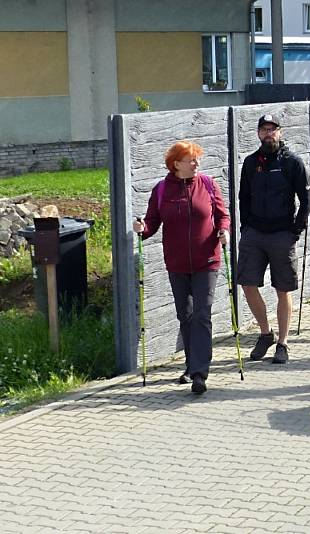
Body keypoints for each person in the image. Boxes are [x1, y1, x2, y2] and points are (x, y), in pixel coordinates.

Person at [134, 141, 230, 395]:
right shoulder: (162, 190)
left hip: (207, 260)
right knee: (185, 315)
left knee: (202, 313)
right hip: (176, 263)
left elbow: (222, 215)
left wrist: (224, 231)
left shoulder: (208, 185)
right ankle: (191, 365)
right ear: (176, 164)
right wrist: (141, 229)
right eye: (191, 159)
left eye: (197, 159)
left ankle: (199, 372)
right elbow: (152, 223)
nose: (196, 163)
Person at [238, 114, 309, 365]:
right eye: (264, 130)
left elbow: (306, 201)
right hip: (254, 233)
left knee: (283, 289)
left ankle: (283, 342)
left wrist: (295, 231)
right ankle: (265, 333)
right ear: (258, 133)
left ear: (280, 132)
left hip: (282, 234)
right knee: (247, 284)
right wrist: (245, 228)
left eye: (273, 129)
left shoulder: (292, 162)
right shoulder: (249, 162)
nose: (269, 134)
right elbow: (243, 198)